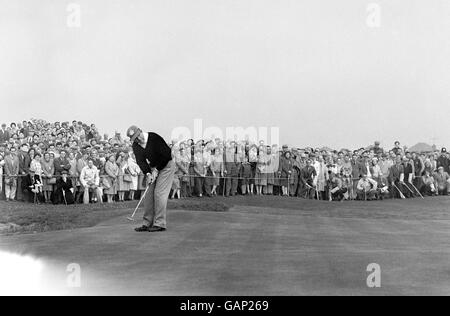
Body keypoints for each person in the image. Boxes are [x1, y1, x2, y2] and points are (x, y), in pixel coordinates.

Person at [127, 126, 175, 233]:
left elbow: (167, 154)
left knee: (159, 193)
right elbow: (141, 161)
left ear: (140, 131)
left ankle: (159, 223)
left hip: (167, 165)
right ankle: (147, 223)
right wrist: (148, 173)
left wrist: (157, 170)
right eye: (135, 139)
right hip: (153, 168)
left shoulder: (154, 138)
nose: (138, 140)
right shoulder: (136, 146)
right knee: (148, 194)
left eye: (137, 136)